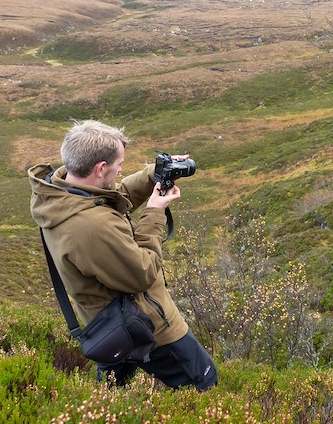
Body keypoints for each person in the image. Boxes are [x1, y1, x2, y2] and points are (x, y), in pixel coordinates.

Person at [28, 119, 217, 390]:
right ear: (100, 168)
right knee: (204, 385)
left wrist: (155, 174)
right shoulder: (90, 227)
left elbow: (112, 196)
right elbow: (141, 273)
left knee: (111, 392)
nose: (120, 171)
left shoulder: (64, 193)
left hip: (109, 322)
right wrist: (155, 211)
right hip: (147, 325)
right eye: (119, 166)